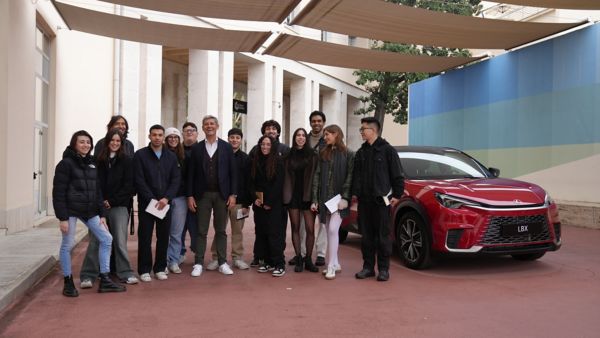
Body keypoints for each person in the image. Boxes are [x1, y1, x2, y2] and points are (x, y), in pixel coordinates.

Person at [52, 130, 125, 296]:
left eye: (88, 142)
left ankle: (105, 279)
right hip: (70, 210)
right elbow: (59, 192)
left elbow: (97, 191)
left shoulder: (92, 163)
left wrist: (102, 215)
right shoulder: (65, 164)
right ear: (74, 144)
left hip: (90, 210)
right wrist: (62, 218)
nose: (86, 145)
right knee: (67, 244)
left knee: (107, 239)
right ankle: (68, 281)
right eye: (82, 142)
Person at [79, 129, 138, 288]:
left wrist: (111, 201)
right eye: (112, 140)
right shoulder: (97, 161)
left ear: (122, 143)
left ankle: (125, 272)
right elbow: (94, 184)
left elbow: (129, 186)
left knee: (119, 241)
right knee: (95, 241)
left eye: (118, 141)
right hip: (98, 207)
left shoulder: (127, 161)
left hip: (119, 206)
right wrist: (101, 202)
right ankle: (88, 275)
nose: (115, 143)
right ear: (107, 141)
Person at [352, 117, 404, 282]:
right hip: (364, 202)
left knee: (383, 236)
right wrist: (355, 193)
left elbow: (397, 175)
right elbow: (356, 176)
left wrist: (397, 195)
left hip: (381, 202)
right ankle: (368, 267)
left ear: (373, 130)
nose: (361, 132)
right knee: (366, 236)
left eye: (363, 129)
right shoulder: (361, 152)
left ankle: (383, 269)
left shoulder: (388, 151)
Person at [187, 116, 238, 277]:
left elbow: (233, 173)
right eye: (206, 124)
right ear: (202, 128)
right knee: (201, 231)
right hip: (202, 195)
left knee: (221, 230)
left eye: (212, 124)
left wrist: (233, 194)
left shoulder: (226, 147)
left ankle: (222, 262)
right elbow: (190, 175)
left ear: (217, 126)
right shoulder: (196, 148)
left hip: (222, 195)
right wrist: (189, 195)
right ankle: (198, 263)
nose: (209, 126)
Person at [134, 124, 181, 282]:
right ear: (149, 136)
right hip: (147, 204)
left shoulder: (171, 156)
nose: (157, 137)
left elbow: (175, 180)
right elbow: (139, 180)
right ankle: (144, 270)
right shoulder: (140, 155)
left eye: (160, 135)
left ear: (163, 137)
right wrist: (152, 200)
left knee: (163, 237)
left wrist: (166, 198)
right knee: (145, 237)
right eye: (154, 135)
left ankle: (160, 268)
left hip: (165, 204)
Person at [311, 125, 354, 280]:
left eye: (328, 134)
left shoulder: (348, 154)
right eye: (325, 134)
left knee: (332, 230)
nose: (325, 137)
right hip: (325, 199)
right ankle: (335, 263)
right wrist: (315, 199)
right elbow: (317, 176)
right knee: (329, 229)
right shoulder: (324, 153)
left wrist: (345, 198)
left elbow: (350, 177)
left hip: (339, 200)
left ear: (337, 134)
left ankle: (330, 266)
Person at [206, 128, 251, 270]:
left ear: (241, 140)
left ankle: (237, 257)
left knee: (238, 231)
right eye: (232, 137)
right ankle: (216, 257)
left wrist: (246, 203)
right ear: (228, 139)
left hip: (240, 203)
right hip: (222, 200)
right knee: (220, 229)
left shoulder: (246, 158)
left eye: (237, 137)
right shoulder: (221, 155)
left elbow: (249, 182)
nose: (234, 140)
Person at [249, 120, 289, 267]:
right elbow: (251, 178)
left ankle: (277, 260)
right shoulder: (255, 152)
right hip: (259, 200)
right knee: (261, 231)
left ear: (278, 132)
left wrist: (270, 202)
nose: (271, 131)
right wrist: (255, 198)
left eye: (274, 128)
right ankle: (261, 258)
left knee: (276, 232)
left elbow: (280, 181)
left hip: (276, 201)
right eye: (268, 128)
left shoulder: (284, 150)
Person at [283, 128, 319, 273]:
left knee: (310, 229)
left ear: (306, 138)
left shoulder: (313, 155)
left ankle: (308, 259)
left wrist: (315, 198)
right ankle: (298, 258)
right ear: (294, 138)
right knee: (295, 228)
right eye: (298, 135)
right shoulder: (287, 155)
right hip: (292, 196)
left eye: (303, 135)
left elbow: (316, 177)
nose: (301, 138)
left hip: (308, 196)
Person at [298, 110, 328, 267]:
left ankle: (321, 253)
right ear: (310, 123)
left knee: (322, 221)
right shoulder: (304, 139)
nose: (316, 123)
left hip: (323, 185)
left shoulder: (328, 139)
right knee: (304, 223)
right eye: (313, 121)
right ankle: (302, 253)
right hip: (305, 186)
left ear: (323, 122)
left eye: (319, 121)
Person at [165, 127, 188, 274]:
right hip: (163, 199)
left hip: (180, 198)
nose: (173, 139)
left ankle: (173, 260)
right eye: (170, 137)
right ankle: (162, 262)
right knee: (163, 233)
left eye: (176, 137)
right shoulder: (161, 155)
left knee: (176, 233)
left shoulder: (184, 156)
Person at [179, 121, 199, 263]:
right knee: (179, 227)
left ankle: (198, 253)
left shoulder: (202, 149)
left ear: (197, 133)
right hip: (179, 195)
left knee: (196, 227)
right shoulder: (177, 150)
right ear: (183, 133)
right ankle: (179, 253)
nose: (189, 132)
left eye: (192, 130)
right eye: (186, 130)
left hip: (197, 196)